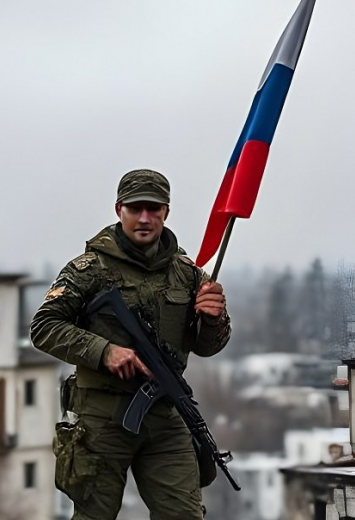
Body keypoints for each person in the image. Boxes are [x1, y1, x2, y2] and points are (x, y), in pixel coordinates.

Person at [30, 169, 231, 520]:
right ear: (119, 209)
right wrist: (104, 352)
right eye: (135, 208)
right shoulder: (89, 269)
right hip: (102, 420)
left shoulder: (187, 273)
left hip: (166, 416)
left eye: (153, 209)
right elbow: (44, 326)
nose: (144, 218)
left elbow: (207, 346)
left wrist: (213, 318)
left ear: (166, 212)